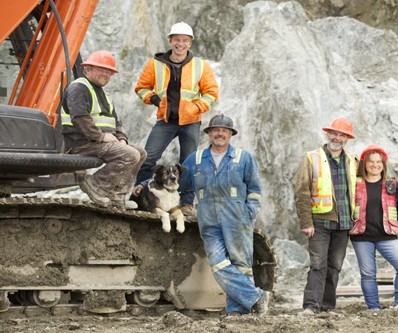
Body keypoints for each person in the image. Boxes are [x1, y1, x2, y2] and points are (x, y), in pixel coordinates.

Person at [180, 114, 269, 316]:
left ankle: (237, 312)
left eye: (224, 130)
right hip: (208, 221)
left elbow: (256, 189)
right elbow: (180, 184)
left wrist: (250, 212)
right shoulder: (195, 159)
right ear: (209, 134)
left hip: (237, 218)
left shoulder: (243, 158)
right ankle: (256, 297)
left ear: (230, 135)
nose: (219, 133)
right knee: (218, 263)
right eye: (215, 130)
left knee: (241, 264)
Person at [134, 21, 218, 215]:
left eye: (185, 40)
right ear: (170, 41)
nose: (180, 44)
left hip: (191, 122)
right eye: (177, 40)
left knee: (188, 164)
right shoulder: (155, 64)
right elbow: (141, 88)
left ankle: (187, 203)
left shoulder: (200, 66)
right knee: (148, 158)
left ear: (190, 43)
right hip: (166, 120)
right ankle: (141, 195)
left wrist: (197, 107)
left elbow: (212, 93)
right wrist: (155, 99)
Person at [61, 50, 146, 209]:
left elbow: (116, 121)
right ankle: (95, 184)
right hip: (81, 144)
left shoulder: (104, 95)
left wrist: (122, 139)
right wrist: (101, 136)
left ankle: (117, 195)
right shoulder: (78, 88)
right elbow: (80, 118)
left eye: (108, 72)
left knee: (140, 152)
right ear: (87, 70)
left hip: (97, 144)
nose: (105, 74)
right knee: (131, 154)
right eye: (101, 70)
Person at [294, 117, 358, 315]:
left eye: (342, 135)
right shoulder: (311, 157)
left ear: (347, 138)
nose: (337, 138)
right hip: (319, 222)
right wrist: (306, 222)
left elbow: (374, 176)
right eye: (334, 133)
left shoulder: (352, 160)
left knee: (335, 266)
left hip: (344, 223)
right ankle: (311, 306)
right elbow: (301, 191)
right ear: (328, 134)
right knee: (318, 264)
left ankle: (328, 306)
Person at [349, 144, 398, 310]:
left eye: (379, 162)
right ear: (364, 164)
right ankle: (373, 308)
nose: (375, 165)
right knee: (368, 274)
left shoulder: (393, 185)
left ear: (384, 165)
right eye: (371, 162)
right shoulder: (354, 184)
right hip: (361, 237)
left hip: (387, 236)